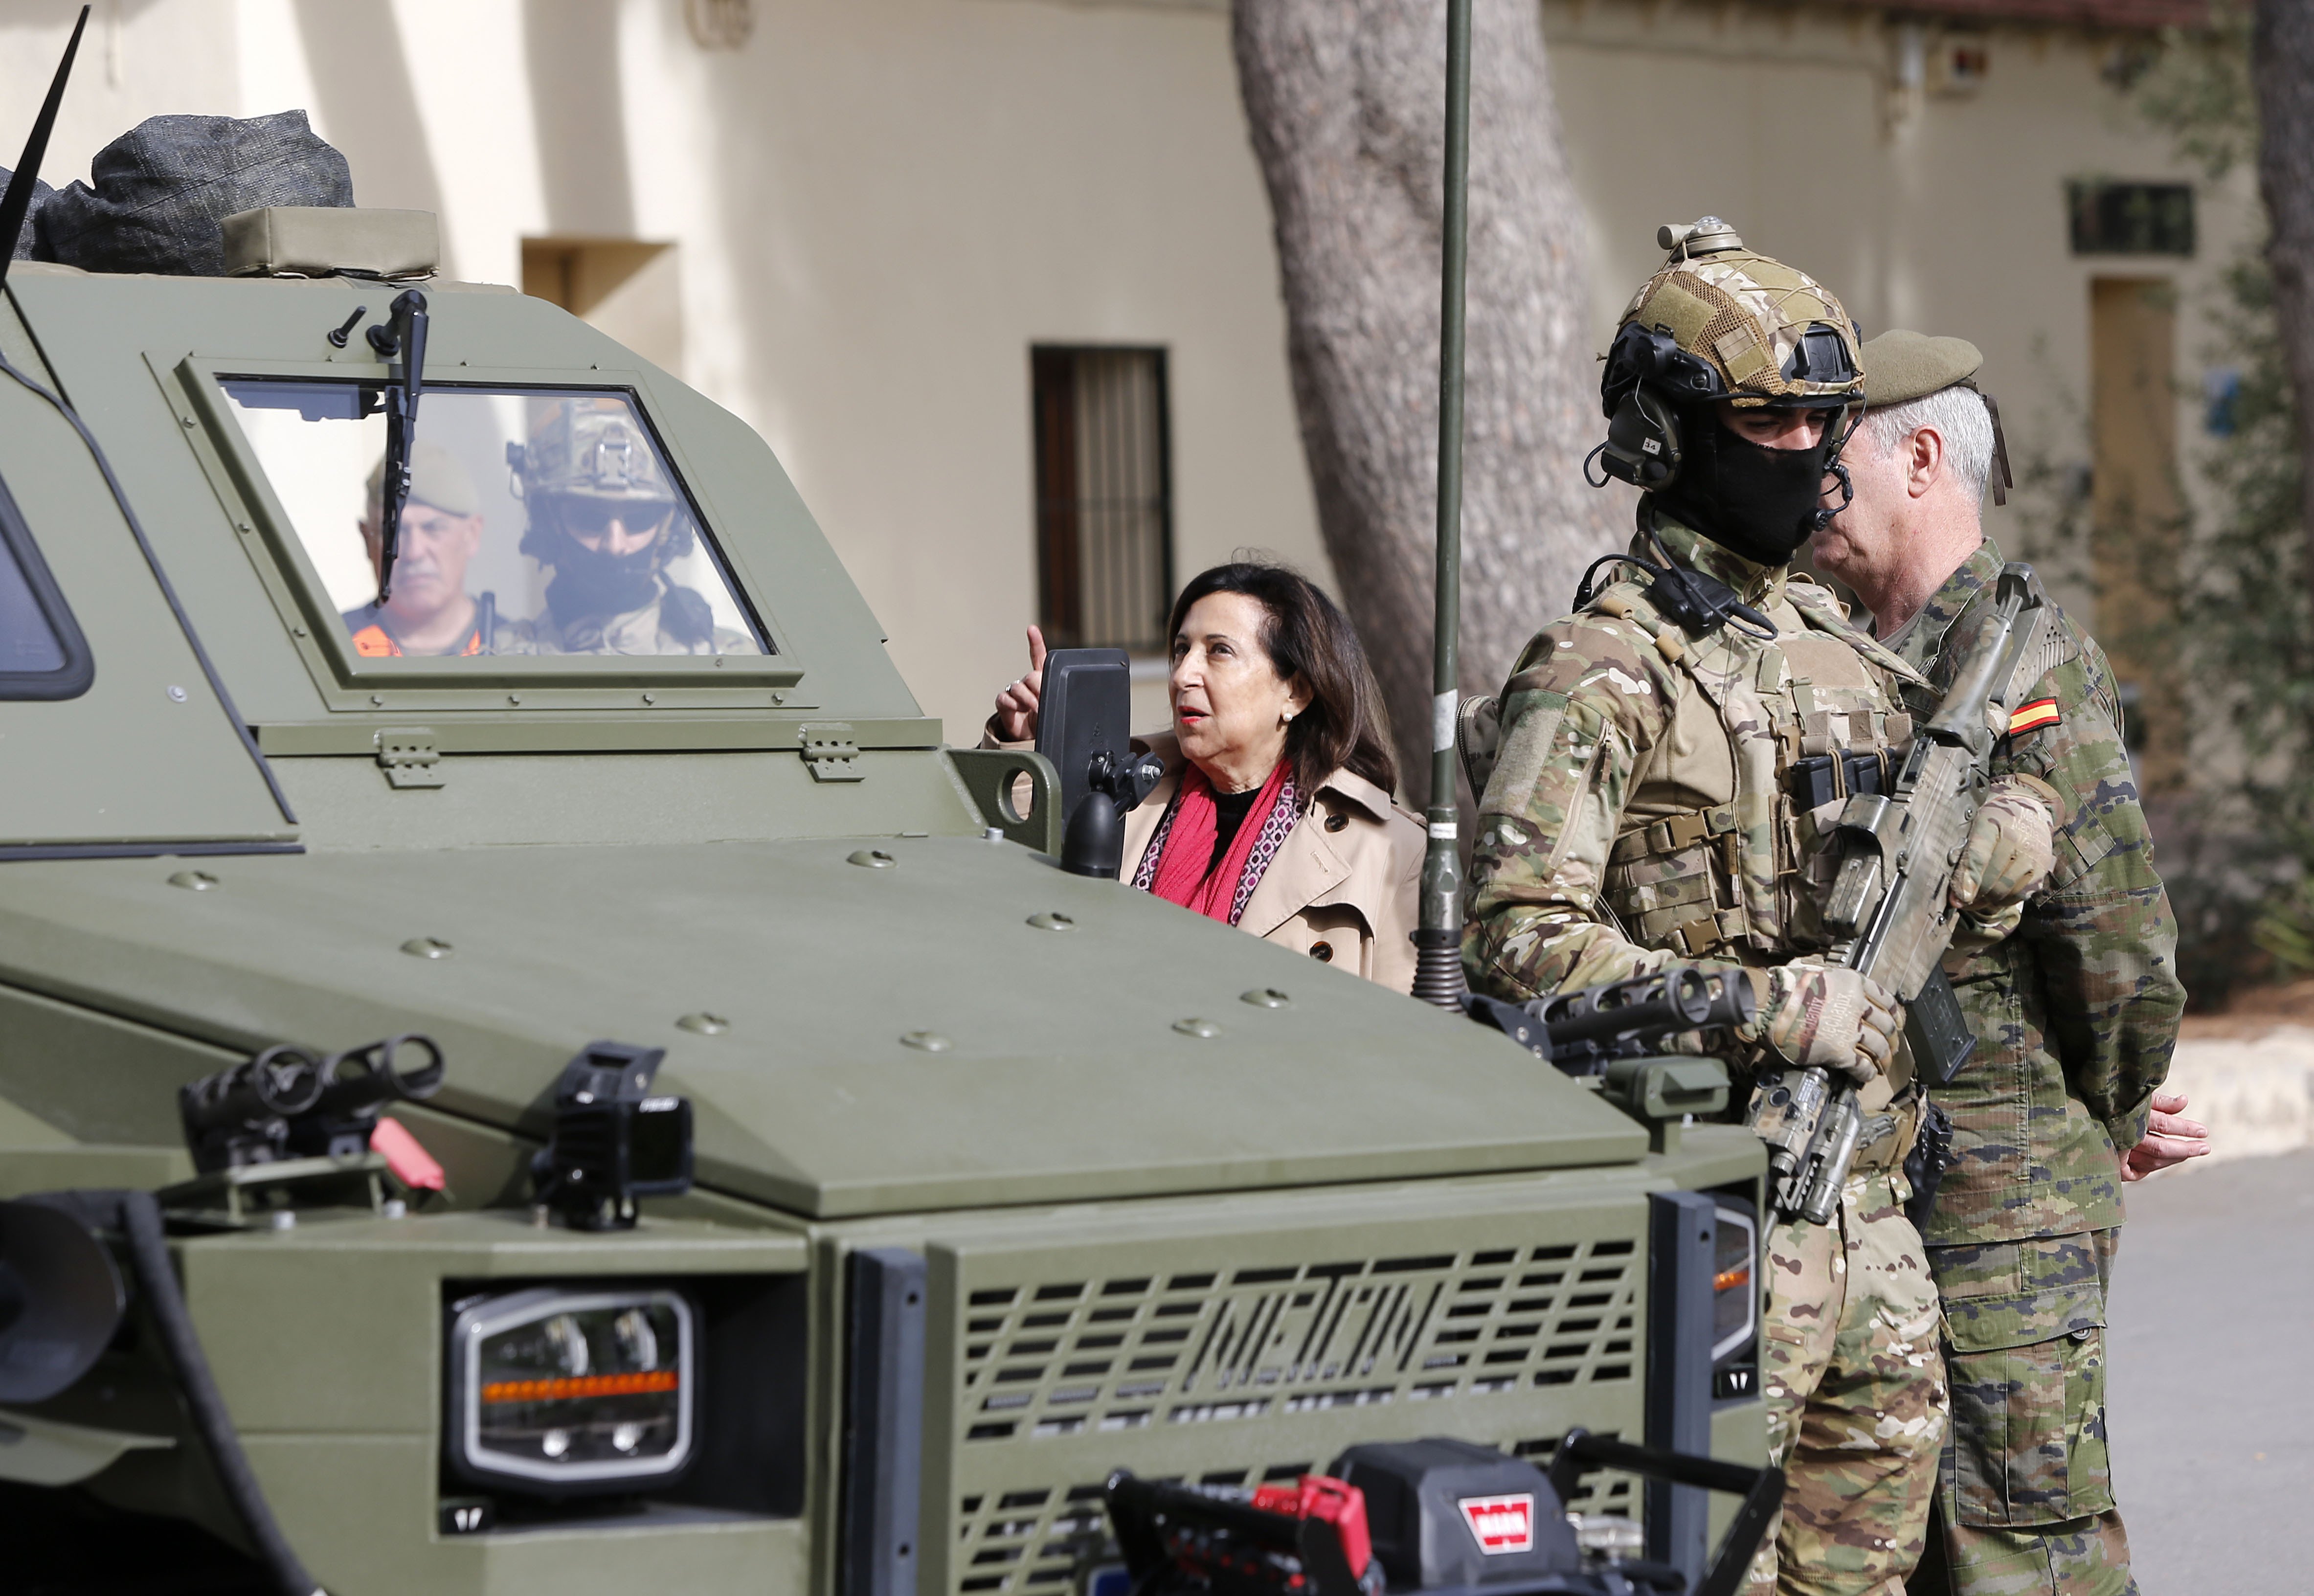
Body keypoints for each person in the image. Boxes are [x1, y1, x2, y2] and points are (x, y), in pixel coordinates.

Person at [1461, 218, 2046, 1596]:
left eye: (1829, 421)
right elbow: (1517, 938)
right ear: (1672, 437)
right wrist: (1772, 1000)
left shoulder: (1839, 646)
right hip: (1713, 1208)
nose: (1819, 455)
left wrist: (2004, 846)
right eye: (1777, 423)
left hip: (1872, 1217)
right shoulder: (1605, 667)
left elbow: (1957, 860)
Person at [1813, 330, 2199, 1596]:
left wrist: (2109, 1103)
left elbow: (2115, 938)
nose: (1808, 490)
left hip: (2003, 1177)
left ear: (1920, 458)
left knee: (2018, 1529)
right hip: (1861, 1167)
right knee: (1893, 1520)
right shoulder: (1835, 658)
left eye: (1833, 460)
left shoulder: (2024, 662)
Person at [987, 562, 1424, 989]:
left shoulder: (1391, 851)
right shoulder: (1124, 788)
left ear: (1295, 691)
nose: (1182, 674)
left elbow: (1410, 1040)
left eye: (1219, 651)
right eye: (1181, 650)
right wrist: (1035, 746)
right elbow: (1006, 870)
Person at [500, 399, 755, 655]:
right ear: (550, 522)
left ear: (668, 529)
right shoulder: (499, 662)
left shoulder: (727, 660)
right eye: (589, 519)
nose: (615, 545)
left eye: (639, 520)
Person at [339, 441, 496, 656]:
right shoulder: (333, 651)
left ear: (472, 535)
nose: (414, 553)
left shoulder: (517, 650)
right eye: (395, 532)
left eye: (433, 529)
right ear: (367, 539)